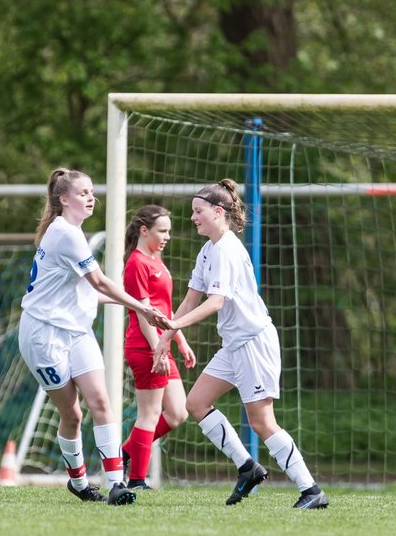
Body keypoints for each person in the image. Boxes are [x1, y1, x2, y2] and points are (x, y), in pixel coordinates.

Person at [156, 179, 328, 509]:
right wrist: (167, 337)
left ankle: (311, 490)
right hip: (234, 345)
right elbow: (192, 299)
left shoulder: (227, 250)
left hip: (253, 342)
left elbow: (216, 302)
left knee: (263, 422)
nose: (193, 218)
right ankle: (248, 467)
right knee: (196, 403)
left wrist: (174, 325)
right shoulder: (208, 250)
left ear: (218, 212)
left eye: (198, 211)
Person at [19, 168, 168, 505]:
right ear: (63, 199)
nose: (91, 198)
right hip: (43, 336)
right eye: (83, 193)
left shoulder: (72, 234)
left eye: (91, 192)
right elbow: (99, 282)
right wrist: (141, 308)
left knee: (101, 401)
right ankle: (79, 482)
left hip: (76, 332)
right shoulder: (65, 234)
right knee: (73, 415)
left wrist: (133, 301)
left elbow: (89, 292)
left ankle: (117, 484)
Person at [120, 205, 195, 489]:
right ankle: (137, 480)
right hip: (145, 346)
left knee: (178, 412)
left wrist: (180, 340)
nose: (167, 237)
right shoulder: (137, 263)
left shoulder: (156, 259)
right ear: (144, 230)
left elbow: (164, 309)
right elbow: (143, 313)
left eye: (169, 231)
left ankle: (125, 453)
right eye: (162, 231)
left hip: (161, 344)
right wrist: (157, 350)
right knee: (149, 414)